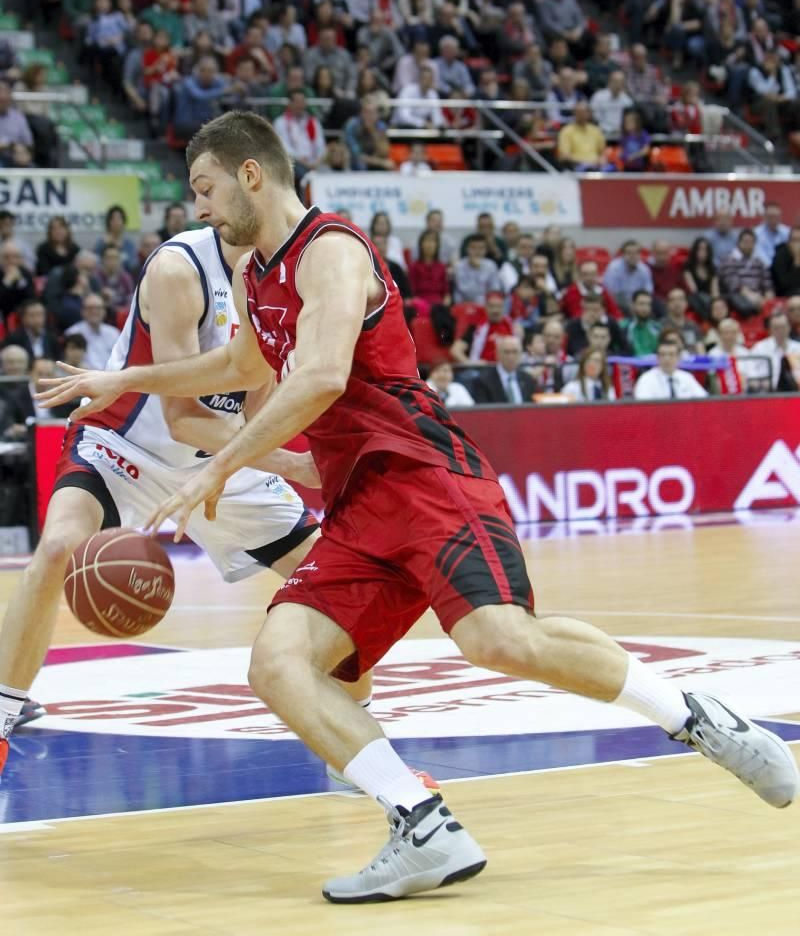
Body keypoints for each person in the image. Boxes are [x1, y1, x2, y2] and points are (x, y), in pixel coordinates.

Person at [39, 111, 798, 903]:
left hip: (424, 474)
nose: (198, 208)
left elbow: (324, 374)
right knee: (277, 663)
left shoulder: (330, 249)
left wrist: (222, 463)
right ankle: (421, 822)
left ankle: (694, 716)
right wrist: (123, 380)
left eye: (205, 188)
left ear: (250, 173)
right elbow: (233, 363)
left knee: (501, 640)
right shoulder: (249, 275)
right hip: (357, 505)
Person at [0, 224, 371, 757]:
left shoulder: (281, 282)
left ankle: (354, 742)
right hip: (125, 444)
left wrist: (236, 464)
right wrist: (294, 464)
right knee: (58, 548)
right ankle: (4, 710)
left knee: (341, 588)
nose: (202, 203)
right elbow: (182, 418)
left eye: (207, 188)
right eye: (200, 189)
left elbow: (254, 411)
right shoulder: (180, 267)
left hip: (215, 458)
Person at [718, 227, 774, 317]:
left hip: (759, 297)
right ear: (739, 242)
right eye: (745, 241)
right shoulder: (729, 260)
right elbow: (733, 284)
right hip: (739, 298)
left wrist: (768, 297)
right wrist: (752, 296)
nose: (748, 244)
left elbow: (767, 283)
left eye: (751, 242)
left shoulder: (759, 262)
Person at [634, 335, 709, 400]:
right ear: (657, 357)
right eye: (663, 354)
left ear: (679, 357)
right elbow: (643, 407)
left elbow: (703, 401)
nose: (667, 359)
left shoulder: (687, 378)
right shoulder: (646, 379)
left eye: (671, 354)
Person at [451, 292, 515, 365]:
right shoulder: (476, 327)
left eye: (499, 306)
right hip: (482, 371)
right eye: (492, 306)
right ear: (485, 307)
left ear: (503, 308)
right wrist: (472, 364)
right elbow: (455, 350)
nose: (495, 310)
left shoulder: (511, 327)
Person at [472, 335, 536, 405]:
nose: (511, 356)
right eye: (506, 352)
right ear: (497, 354)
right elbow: (482, 411)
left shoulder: (528, 380)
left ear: (521, 354)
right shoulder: (483, 381)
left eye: (515, 352)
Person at [603, 240, 654, 316]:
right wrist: (632, 307)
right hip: (619, 304)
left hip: (639, 302)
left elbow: (648, 291)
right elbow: (613, 294)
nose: (633, 256)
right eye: (629, 253)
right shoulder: (614, 269)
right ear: (623, 255)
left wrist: (640, 304)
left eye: (636, 253)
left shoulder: (644, 269)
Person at [753, 311, 800, 391]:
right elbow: (751, 372)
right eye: (776, 328)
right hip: (768, 394)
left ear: (789, 327)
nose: (780, 331)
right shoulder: (759, 348)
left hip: (795, 393)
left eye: (783, 327)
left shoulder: (798, 347)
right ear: (770, 330)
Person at [556, 100, 606, 171]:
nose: (581, 115)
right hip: (577, 166)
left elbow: (602, 152)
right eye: (579, 112)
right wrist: (584, 163)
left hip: (596, 165)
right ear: (574, 113)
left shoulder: (596, 131)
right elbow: (564, 156)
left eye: (584, 112)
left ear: (589, 114)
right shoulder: (566, 131)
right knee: (587, 169)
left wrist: (601, 160)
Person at [453, 234, 502, 304]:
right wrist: (477, 269)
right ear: (467, 249)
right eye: (473, 248)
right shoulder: (460, 266)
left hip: (486, 305)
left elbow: (495, 289)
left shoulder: (491, 265)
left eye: (481, 248)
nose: (477, 251)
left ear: (486, 250)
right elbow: (466, 292)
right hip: (464, 304)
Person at [682, 237, 719, 322]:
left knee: (718, 302)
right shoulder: (688, 266)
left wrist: (716, 302)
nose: (702, 253)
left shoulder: (712, 268)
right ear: (694, 251)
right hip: (695, 297)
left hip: (709, 299)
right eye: (699, 249)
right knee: (697, 298)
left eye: (705, 250)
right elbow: (693, 289)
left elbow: (715, 290)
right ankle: (709, 319)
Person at [94, 205, 138, 272]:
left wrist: (120, 249)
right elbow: (95, 264)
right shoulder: (101, 243)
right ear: (108, 222)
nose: (116, 222)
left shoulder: (129, 244)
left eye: (119, 219)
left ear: (124, 222)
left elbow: (133, 265)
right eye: (113, 219)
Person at [661, 287, 702, 352]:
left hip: (692, 360)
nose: (677, 303)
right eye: (672, 300)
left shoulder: (693, 325)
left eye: (680, 299)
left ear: (686, 303)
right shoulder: (661, 325)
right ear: (668, 304)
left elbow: (701, 349)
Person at [621, 290, 661, 356]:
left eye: (648, 304)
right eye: (641, 304)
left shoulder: (657, 327)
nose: (645, 308)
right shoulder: (623, 326)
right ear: (632, 305)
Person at [754, 202, 790, 268]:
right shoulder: (756, 233)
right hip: (763, 269)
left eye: (776, 216)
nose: (773, 219)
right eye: (770, 217)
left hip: (783, 268)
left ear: (780, 217)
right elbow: (758, 253)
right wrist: (772, 267)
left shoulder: (787, 232)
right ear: (764, 217)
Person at [771, 224, 800, 297]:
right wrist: (797, 261)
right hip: (786, 295)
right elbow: (784, 284)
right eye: (795, 240)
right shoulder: (780, 256)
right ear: (789, 242)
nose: (798, 244)